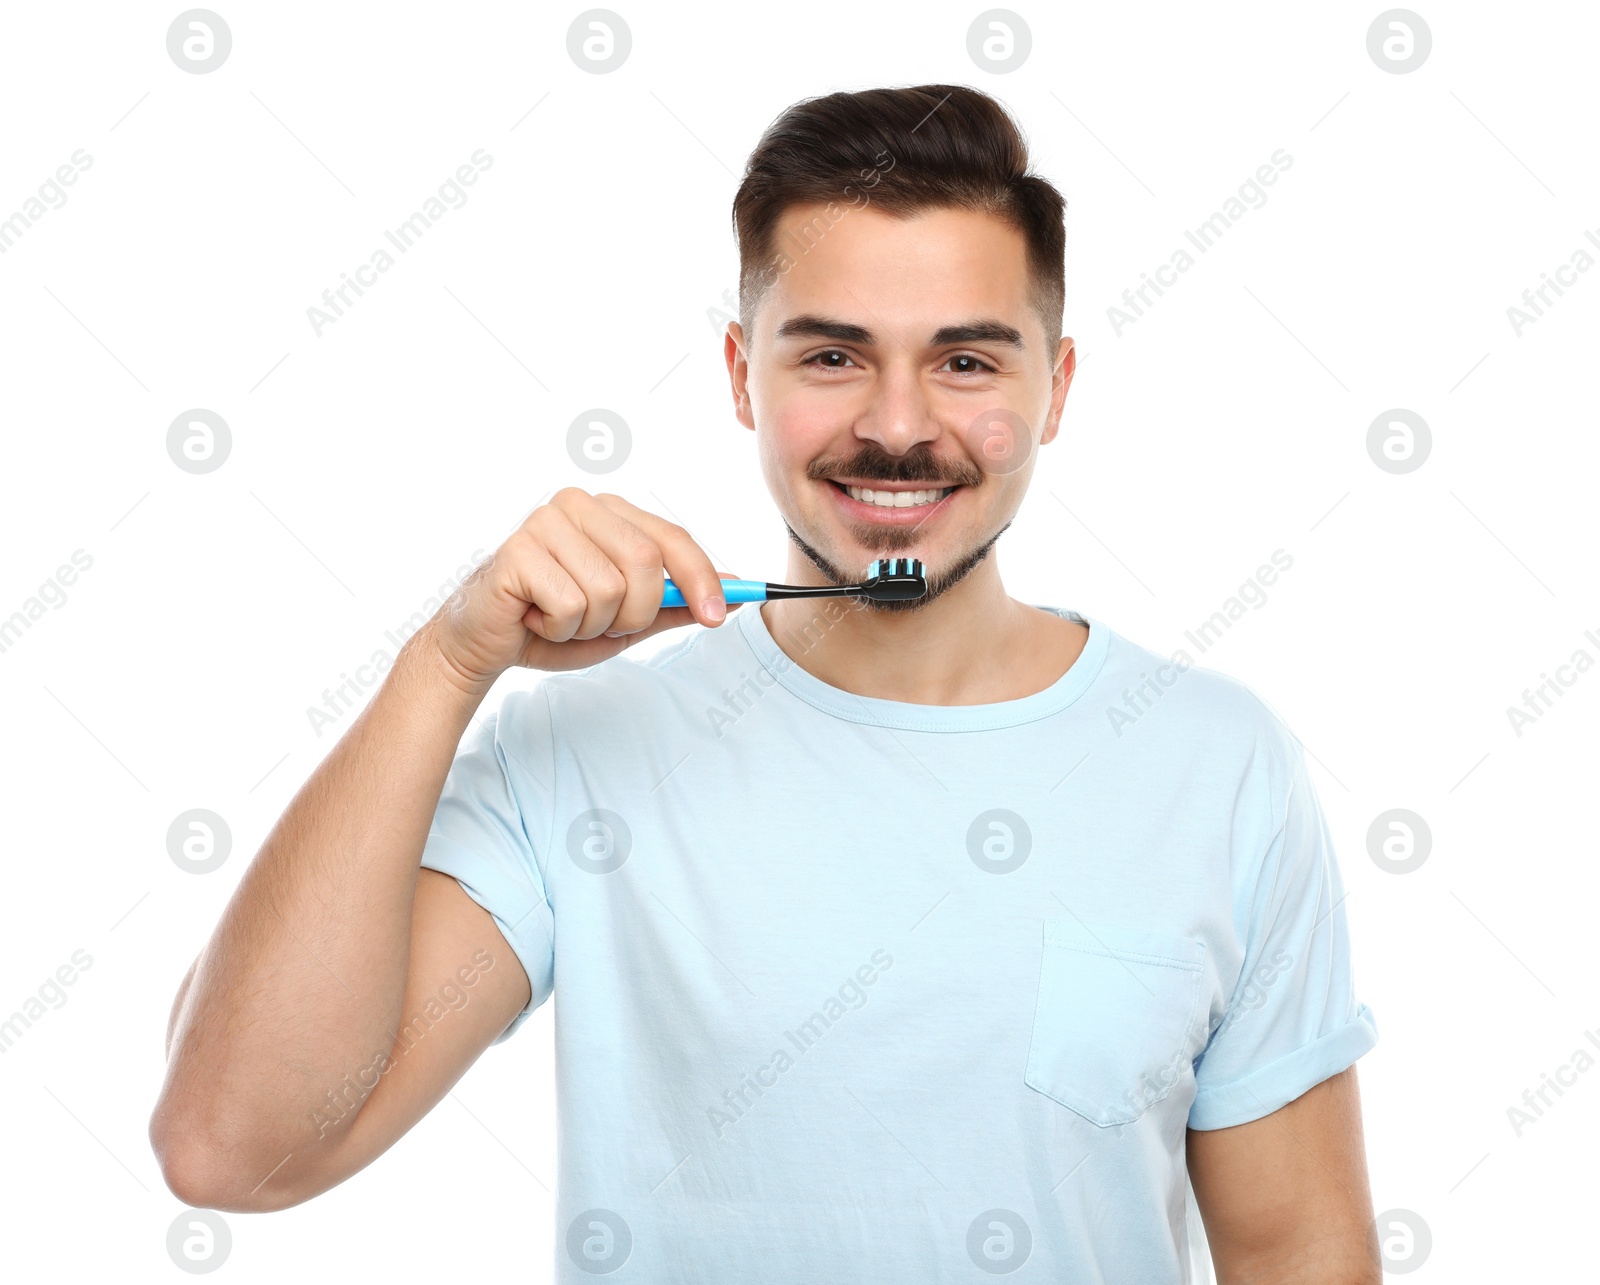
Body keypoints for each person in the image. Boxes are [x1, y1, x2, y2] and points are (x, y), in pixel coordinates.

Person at [151, 83, 1380, 1282]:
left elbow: (1295, 1254)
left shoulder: (1217, 765)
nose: (898, 425)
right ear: (743, 376)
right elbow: (230, 1148)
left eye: (964, 361)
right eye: (834, 355)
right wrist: (447, 662)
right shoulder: (582, 755)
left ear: (1052, 391)